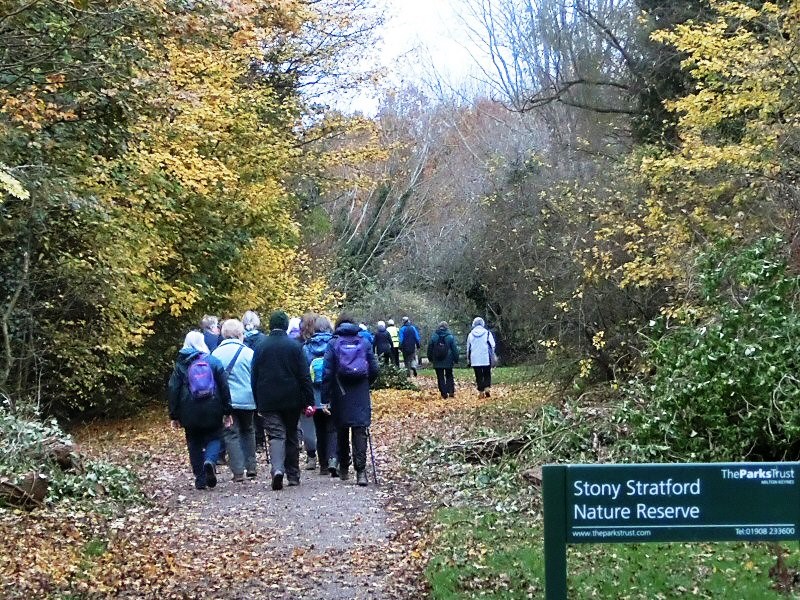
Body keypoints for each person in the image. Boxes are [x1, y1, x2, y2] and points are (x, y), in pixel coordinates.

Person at [251, 310, 314, 490]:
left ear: (270, 325)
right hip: (291, 399)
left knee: (276, 434)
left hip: (268, 399)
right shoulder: (294, 347)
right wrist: (308, 400)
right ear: (286, 325)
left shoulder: (260, 346)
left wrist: (257, 401)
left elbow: (254, 376)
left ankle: (277, 469)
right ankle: (293, 475)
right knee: (292, 434)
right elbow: (304, 376)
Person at [168, 331, 233, 490]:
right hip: (213, 406)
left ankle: (200, 479)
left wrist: (174, 414)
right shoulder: (213, 361)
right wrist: (227, 410)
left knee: (194, 442)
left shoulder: (181, 364)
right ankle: (210, 460)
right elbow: (224, 387)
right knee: (215, 437)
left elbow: (173, 388)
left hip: (188, 410)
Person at [323, 314, 379, 487]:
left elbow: (327, 372)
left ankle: (344, 468)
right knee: (359, 430)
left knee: (342, 429)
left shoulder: (333, 343)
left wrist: (325, 398)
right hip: (360, 391)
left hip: (340, 392)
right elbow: (375, 368)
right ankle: (361, 472)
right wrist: (366, 382)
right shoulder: (364, 342)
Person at [211, 319, 257, 482]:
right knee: (248, 430)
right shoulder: (249, 353)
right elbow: (255, 377)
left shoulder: (215, 354)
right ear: (240, 334)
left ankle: (238, 471)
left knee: (231, 434)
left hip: (226, 401)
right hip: (247, 399)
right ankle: (251, 466)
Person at [303, 315, 337, 476]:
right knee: (332, 428)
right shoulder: (334, 343)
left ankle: (323, 464)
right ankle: (333, 458)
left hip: (315, 395)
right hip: (331, 393)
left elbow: (303, 373)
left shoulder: (307, 347)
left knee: (320, 429)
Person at [242, 310, 267, 451]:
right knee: (259, 411)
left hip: (243, 378)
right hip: (259, 378)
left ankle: (249, 441)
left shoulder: (242, 339)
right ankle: (260, 440)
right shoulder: (263, 339)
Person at [427, 321, 459, 398]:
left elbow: (429, 349)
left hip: (437, 360)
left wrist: (430, 358)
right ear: (446, 327)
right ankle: (451, 391)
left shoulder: (434, 337)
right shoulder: (450, 337)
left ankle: (443, 393)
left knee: (440, 376)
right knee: (449, 375)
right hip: (448, 359)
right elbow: (455, 349)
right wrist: (456, 359)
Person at [466, 317, 496, 398]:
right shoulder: (487, 333)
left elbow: (468, 348)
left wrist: (468, 358)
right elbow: (493, 345)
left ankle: (481, 391)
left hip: (475, 358)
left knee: (478, 375)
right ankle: (487, 388)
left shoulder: (471, 334)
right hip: (485, 357)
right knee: (487, 373)